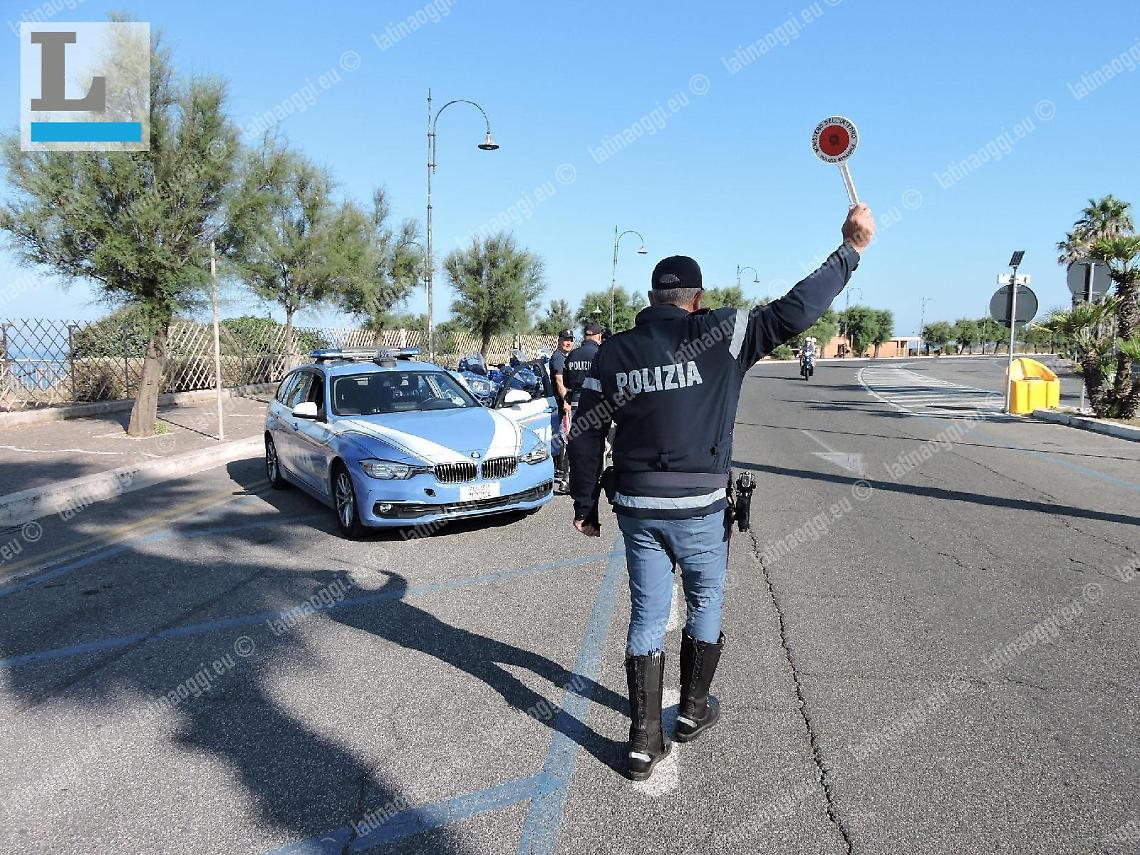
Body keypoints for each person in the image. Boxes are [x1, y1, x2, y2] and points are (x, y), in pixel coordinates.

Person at [568, 204, 875, 781]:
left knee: (646, 614)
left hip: (637, 506)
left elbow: (584, 432)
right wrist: (850, 250)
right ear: (697, 299)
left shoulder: (612, 352)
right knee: (705, 601)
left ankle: (641, 743)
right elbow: (797, 309)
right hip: (701, 506)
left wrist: (584, 505)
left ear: (653, 299)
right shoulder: (725, 334)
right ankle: (691, 712)